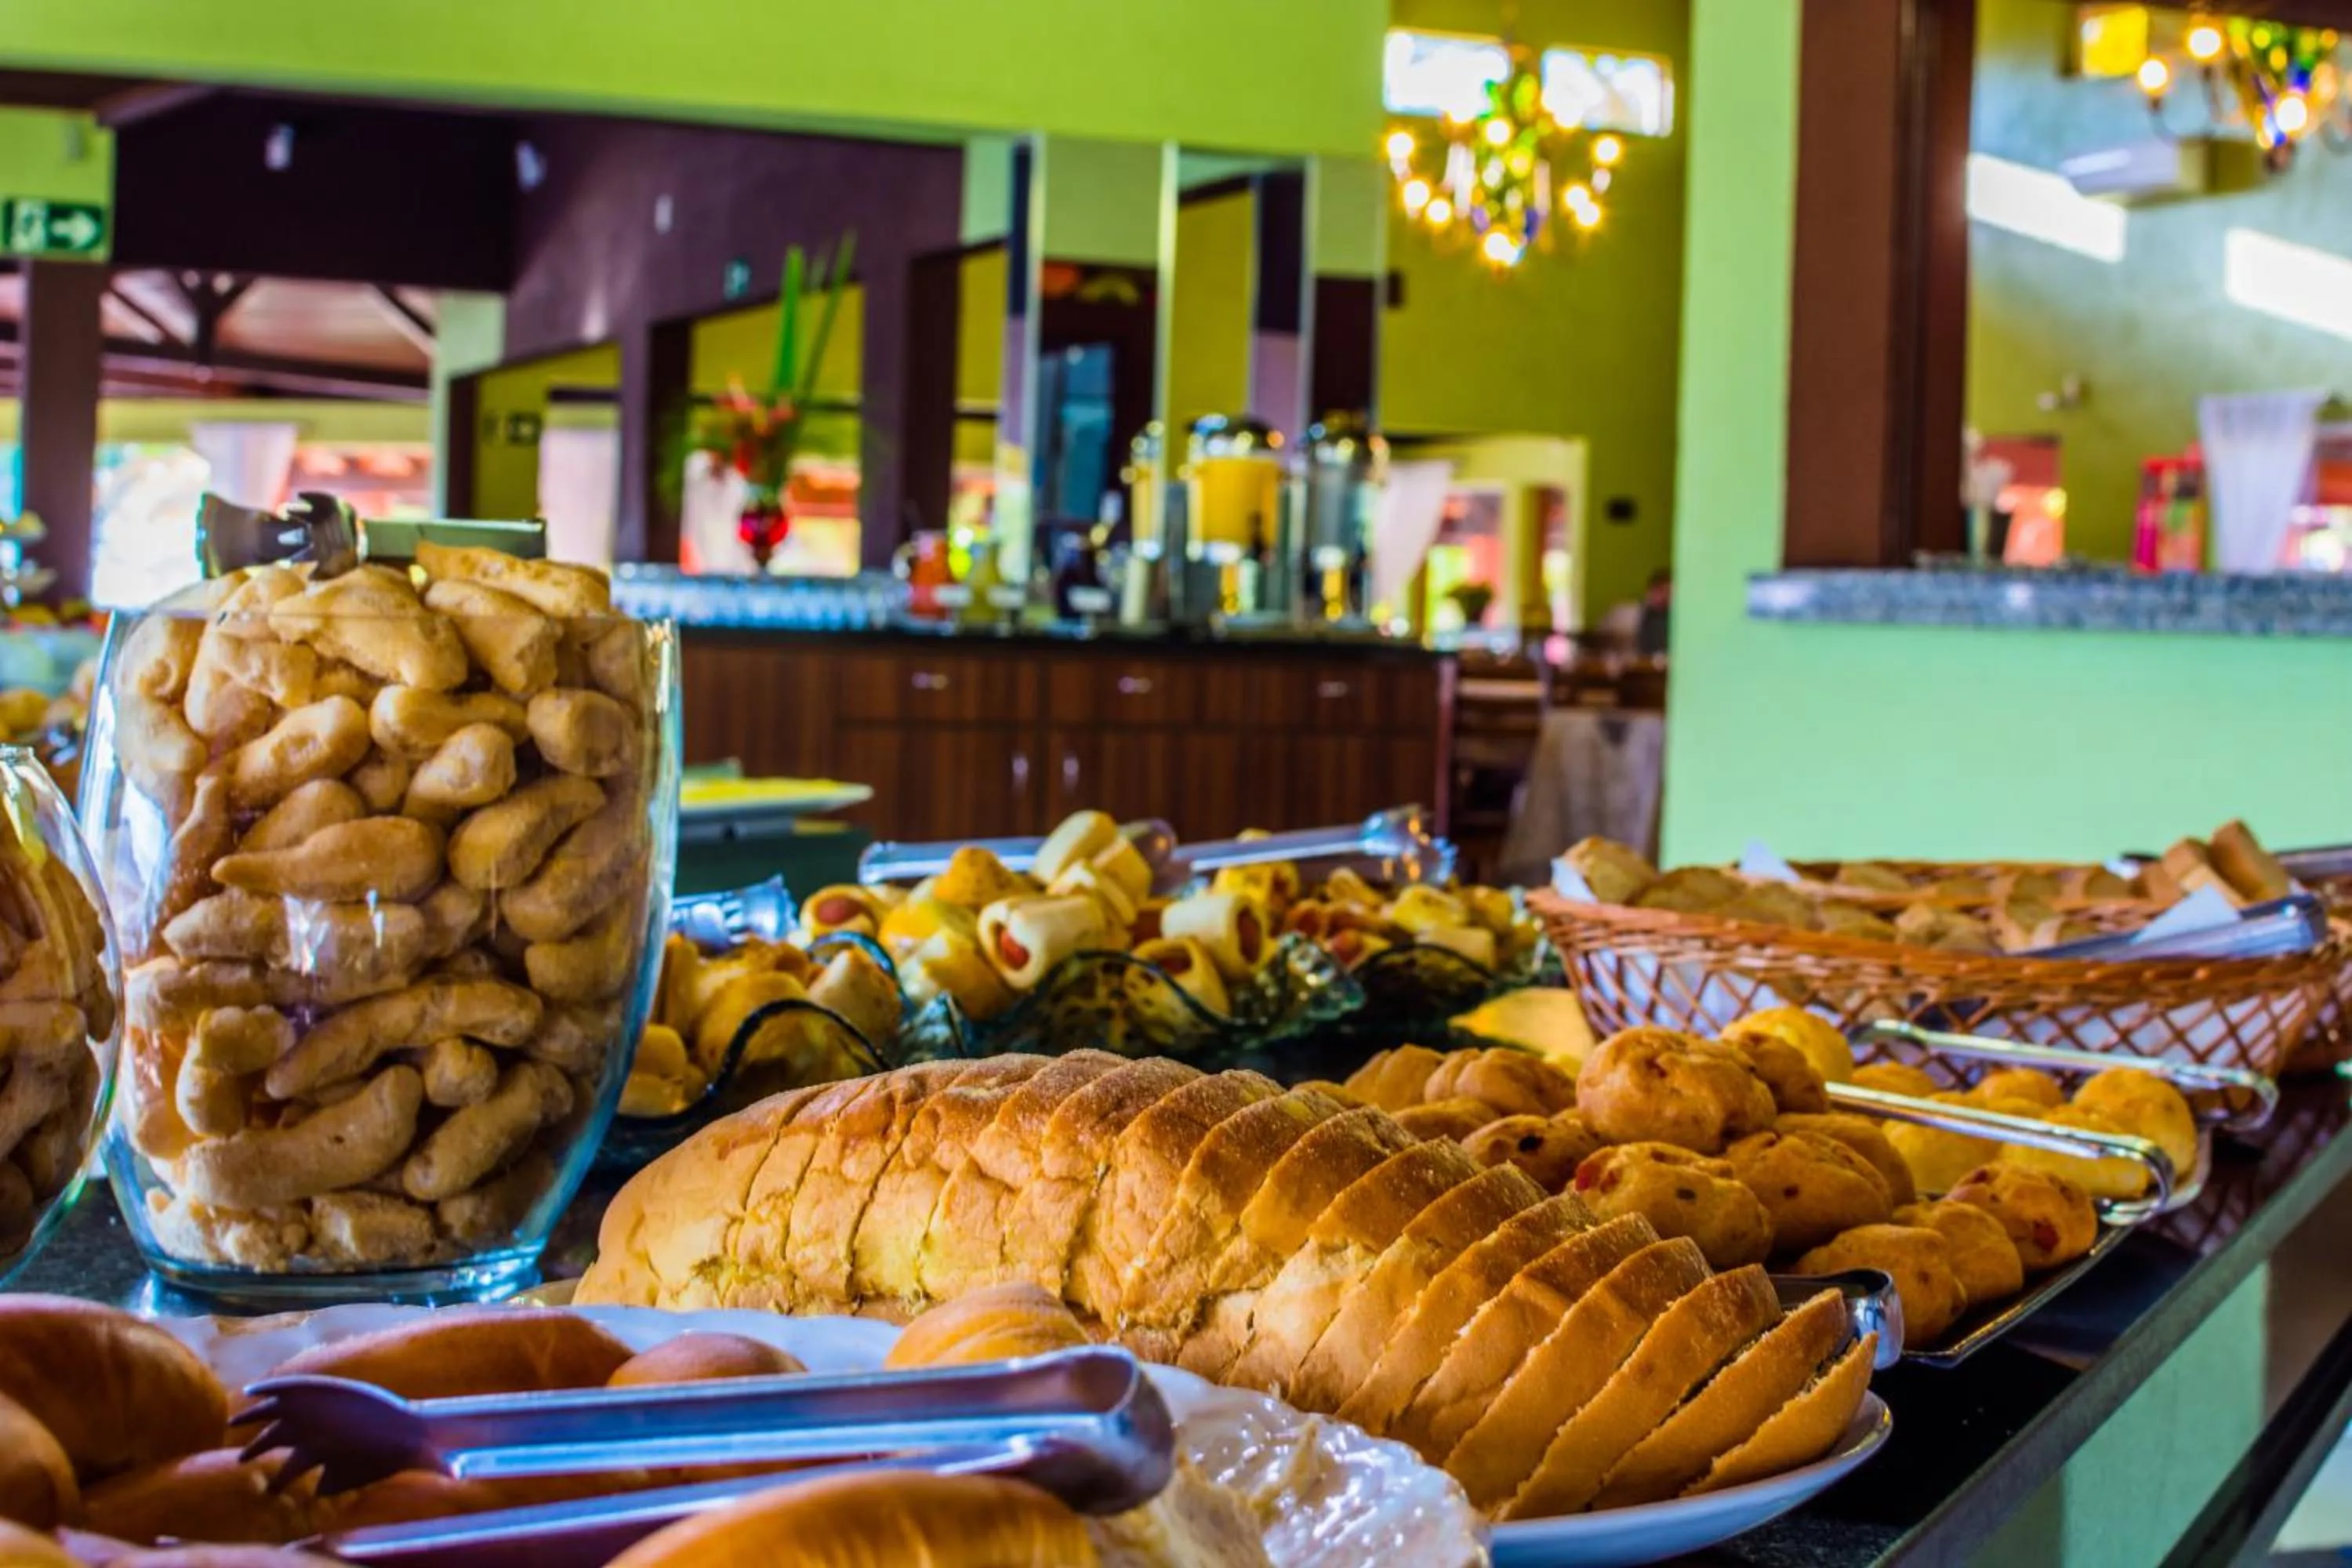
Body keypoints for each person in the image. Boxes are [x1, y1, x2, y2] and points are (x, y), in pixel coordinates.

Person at [1635, 567, 1671, 658]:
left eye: (1668, 592)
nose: (1664, 596)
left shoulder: (1671, 617)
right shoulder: (1637, 614)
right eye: (1661, 591)